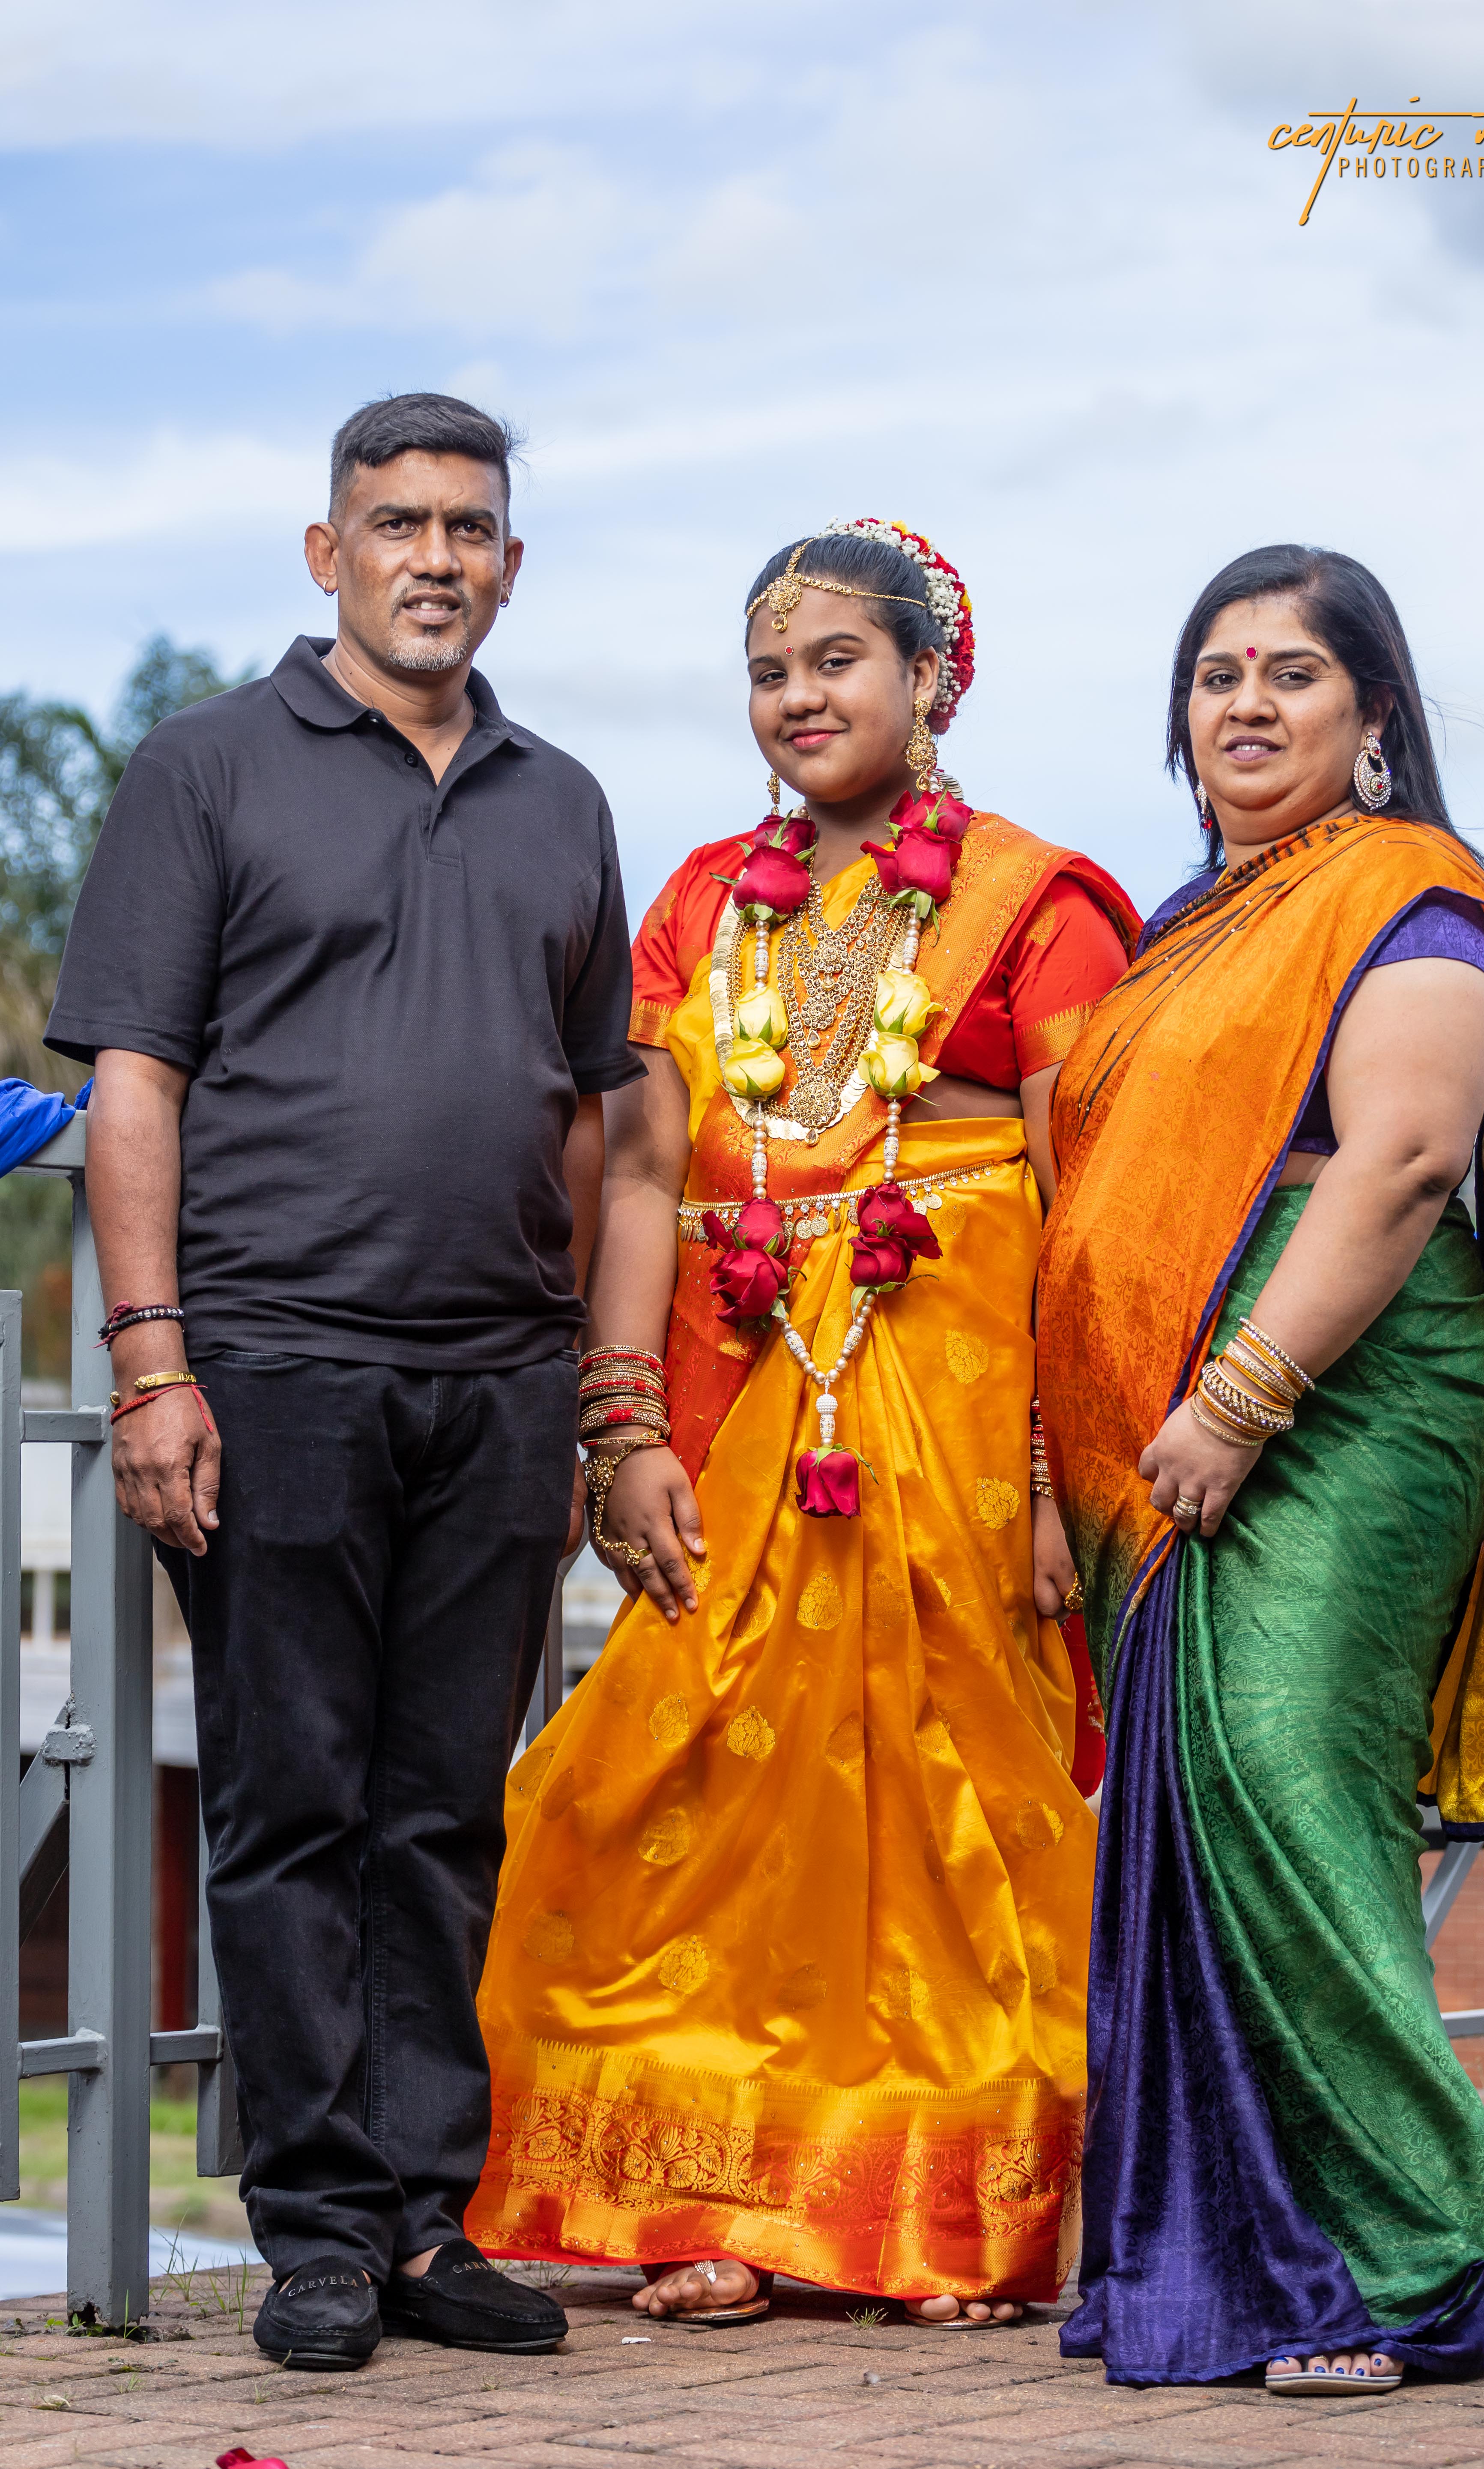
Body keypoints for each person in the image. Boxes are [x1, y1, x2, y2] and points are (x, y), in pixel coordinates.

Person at [469, 519, 1140, 2325]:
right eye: (769, 670)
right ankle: (703, 2194)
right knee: (672, 1781)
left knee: (950, 1806)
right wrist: (622, 1425)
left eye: (836, 660)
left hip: (963, 1425)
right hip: (742, 1398)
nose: (796, 697)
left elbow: (1092, 1210)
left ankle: (949, 2215)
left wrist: (1062, 1479)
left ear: (931, 676)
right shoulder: (698, 901)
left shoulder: (1037, 901)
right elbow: (640, 1171)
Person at [44, 393, 643, 2371]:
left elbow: (594, 1112)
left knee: (445, 1809)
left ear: (511, 565)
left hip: (498, 1380)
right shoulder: (207, 766)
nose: (433, 558)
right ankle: (314, 2228)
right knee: (293, 1801)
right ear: (329, 552)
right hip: (276, 1360)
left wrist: (581, 1377)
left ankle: (423, 2222)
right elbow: (137, 1080)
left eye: (468, 527)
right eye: (397, 524)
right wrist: (152, 1361)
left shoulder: (564, 800)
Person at [1036, 544, 1484, 2391]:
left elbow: (1400, 1160)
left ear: (1374, 712)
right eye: (1216, 672)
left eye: (1291, 672)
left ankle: (1428, 2262)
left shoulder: (1408, 898)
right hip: (1176, 1413)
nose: (1246, 702)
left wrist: (1241, 1397)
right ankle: (1250, 2257)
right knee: (1200, 1814)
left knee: (1291, 1782)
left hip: (1351, 1392)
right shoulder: (1184, 927)